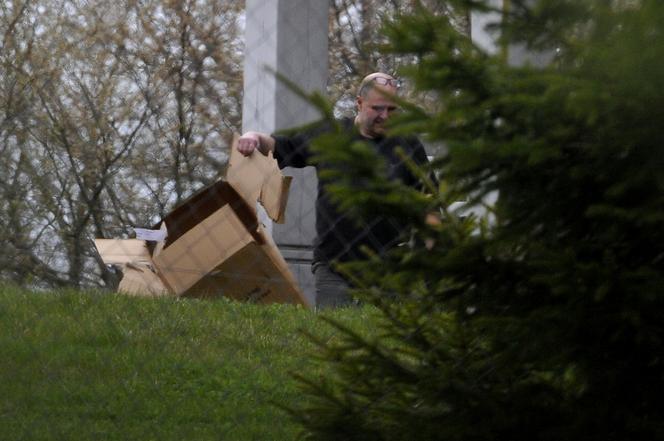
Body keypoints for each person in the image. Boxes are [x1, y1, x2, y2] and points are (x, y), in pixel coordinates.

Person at [237, 72, 431, 308]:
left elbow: (429, 202)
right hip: (334, 265)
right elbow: (281, 147)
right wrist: (253, 137)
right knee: (333, 333)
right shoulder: (330, 135)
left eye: (392, 110)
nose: (385, 116)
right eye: (377, 109)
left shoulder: (408, 145)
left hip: (390, 267)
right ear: (359, 103)